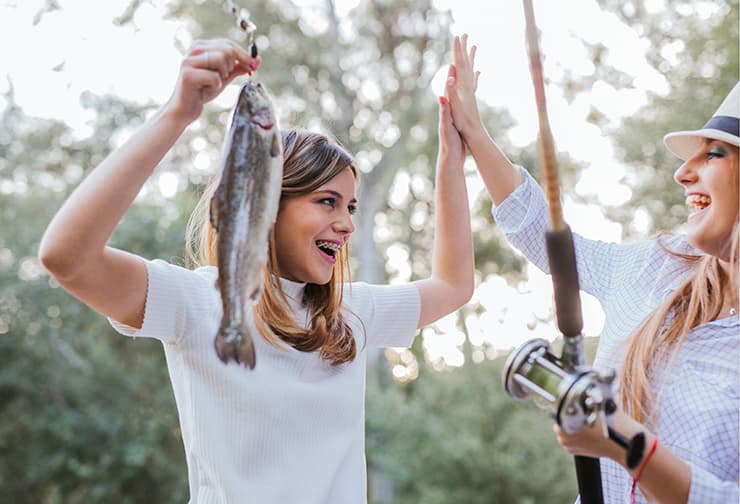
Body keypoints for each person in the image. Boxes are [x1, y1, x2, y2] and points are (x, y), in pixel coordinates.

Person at [39, 38, 474, 503]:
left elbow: (453, 285)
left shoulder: (349, 314)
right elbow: (67, 257)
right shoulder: (196, 303)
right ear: (266, 202)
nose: (347, 224)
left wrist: (451, 156)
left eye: (349, 205)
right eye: (326, 202)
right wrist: (177, 115)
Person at [444, 33, 739, 503]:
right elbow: (545, 237)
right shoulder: (655, 267)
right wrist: (475, 134)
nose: (682, 173)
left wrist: (629, 448)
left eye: (714, 154)